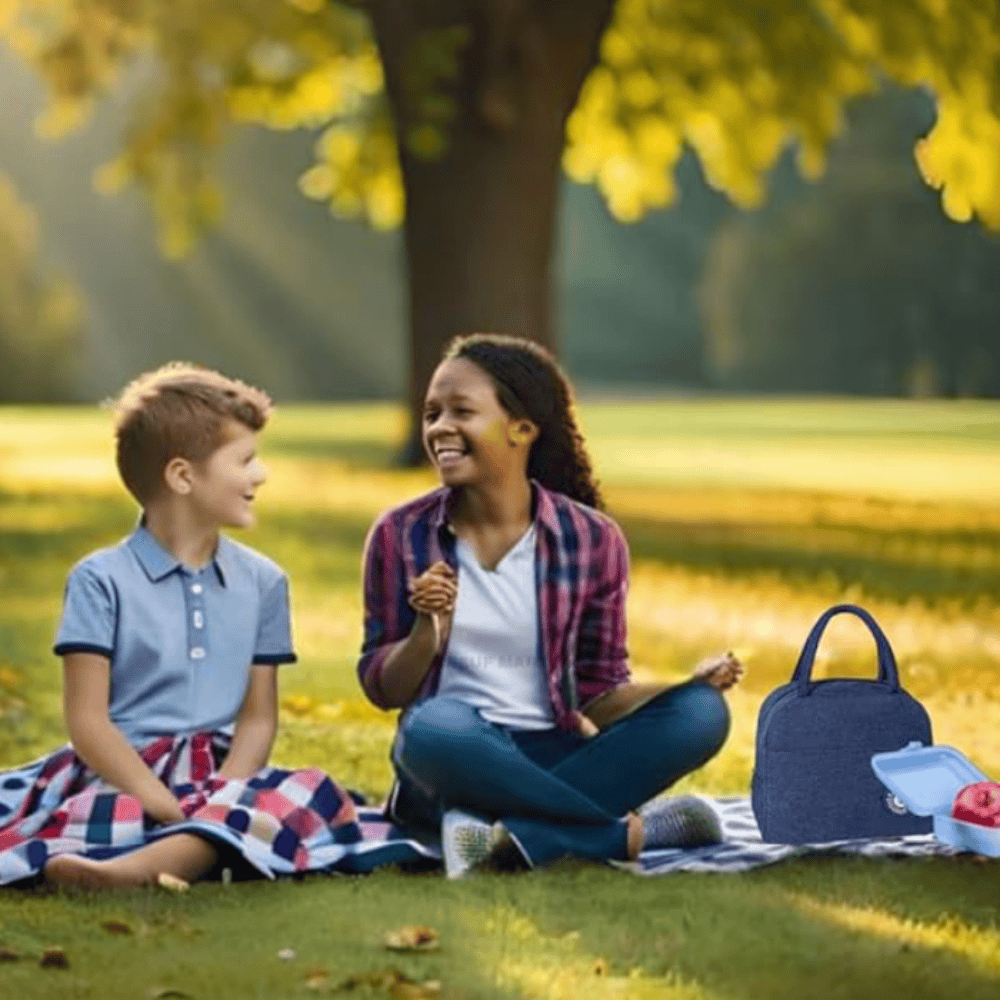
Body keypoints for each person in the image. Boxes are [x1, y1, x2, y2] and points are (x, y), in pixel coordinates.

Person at [0, 363, 433, 889]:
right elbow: (88, 723)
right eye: (245, 460)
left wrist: (222, 793)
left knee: (303, 793)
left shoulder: (264, 582)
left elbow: (257, 720)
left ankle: (132, 872)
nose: (261, 474)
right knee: (115, 816)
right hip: (125, 773)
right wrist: (161, 802)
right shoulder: (99, 580)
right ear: (183, 476)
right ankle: (189, 852)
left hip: (226, 777)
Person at [358, 333, 744, 878]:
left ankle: (507, 834)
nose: (439, 427)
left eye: (461, 411)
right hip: (454, 754)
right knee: (433, 726)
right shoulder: (400, 535)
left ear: (523, 428)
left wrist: (685, 686)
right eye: (431, 414)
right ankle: (631, 833)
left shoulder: (591, 540)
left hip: (558, 756)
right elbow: (382, 689)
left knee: (702, 714)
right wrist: (427, 631)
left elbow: (600, 694)